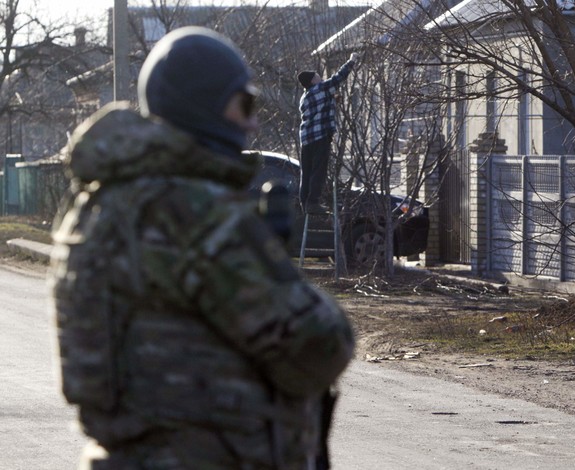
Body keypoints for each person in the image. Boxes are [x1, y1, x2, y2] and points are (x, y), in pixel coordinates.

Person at [49, 26, 355, 469]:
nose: (252, 122)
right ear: (205, 106)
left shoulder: (93, 207)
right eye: (244, 103)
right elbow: (320, 348)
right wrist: (276, 266)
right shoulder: (192, 210)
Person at [296, 52, 359, 213]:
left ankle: (305, 203)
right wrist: (351, 60)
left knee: (307, 172)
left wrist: (332, 99)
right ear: (312, 81)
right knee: (319, 170)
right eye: (318, 77)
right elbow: (339, 77)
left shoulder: (305, 96)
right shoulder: (321, 88)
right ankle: (313, 202)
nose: (321, 79)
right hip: (320, 136)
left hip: (306, 139)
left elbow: (321, 105)